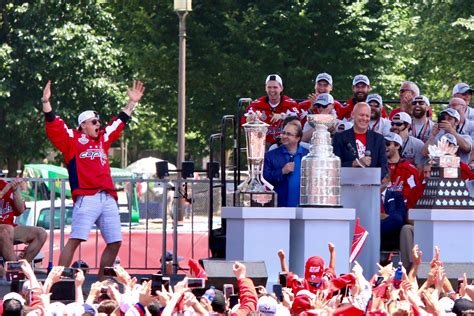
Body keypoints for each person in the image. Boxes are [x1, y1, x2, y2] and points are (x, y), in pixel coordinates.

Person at [41, 80, 145, 280]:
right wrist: (46, 103)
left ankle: (101, 285)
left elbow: (118, 122)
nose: (99, 124)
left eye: (99, 121)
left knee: (115, 242)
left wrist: (131, 104)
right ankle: (58, 282)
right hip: (86, 197)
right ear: (83, 125)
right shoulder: (72, 138)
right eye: (94, 122)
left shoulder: (103, 138)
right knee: (76, 240)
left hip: (108, 197)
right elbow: (54, 124)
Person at [0, 179, 47, 284]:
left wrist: (16, 191)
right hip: (6, 229)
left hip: (9, 228)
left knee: (41, 233)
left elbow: (20, 210)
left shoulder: (4, 184)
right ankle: (14, 274)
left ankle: (21, 270)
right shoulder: (5, 187)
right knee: (6, 230)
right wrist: (4, 191)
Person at [333, 102, 388, 179]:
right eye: (361, 115)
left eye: (367, 116)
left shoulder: (378, 139)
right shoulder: (340, 138)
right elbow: (335, 166)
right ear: (352, 115)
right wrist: (354, 163)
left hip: (370, 187)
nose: (364, 118)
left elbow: (384, 167)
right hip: (347, 185)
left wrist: (371, 180)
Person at [242, 74, 298, 146]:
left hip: (284, 143)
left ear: (281, 88)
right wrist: (251, 118)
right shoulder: (257, 104)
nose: (272, 90)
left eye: (275, 87)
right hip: (263, 143)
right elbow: (244, 121)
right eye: (269, 87)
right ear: (265, 88)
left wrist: (282, 116)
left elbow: (298, 119)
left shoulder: (290, 103)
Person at [263, 120, 309, 207]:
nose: (284, 136)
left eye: (289, 134)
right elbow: (264, 178)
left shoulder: (308, 156)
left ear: (298, 138)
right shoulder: (271, 156)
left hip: (304, 207)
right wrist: (282, 171)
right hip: (280, 207)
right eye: (283, 133)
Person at [384, 133, 422, 210]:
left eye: (387, 144)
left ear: (397, 146)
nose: (384, 147)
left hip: (401, 209)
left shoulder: (409, 169)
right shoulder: (378, 167)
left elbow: (412, 195)